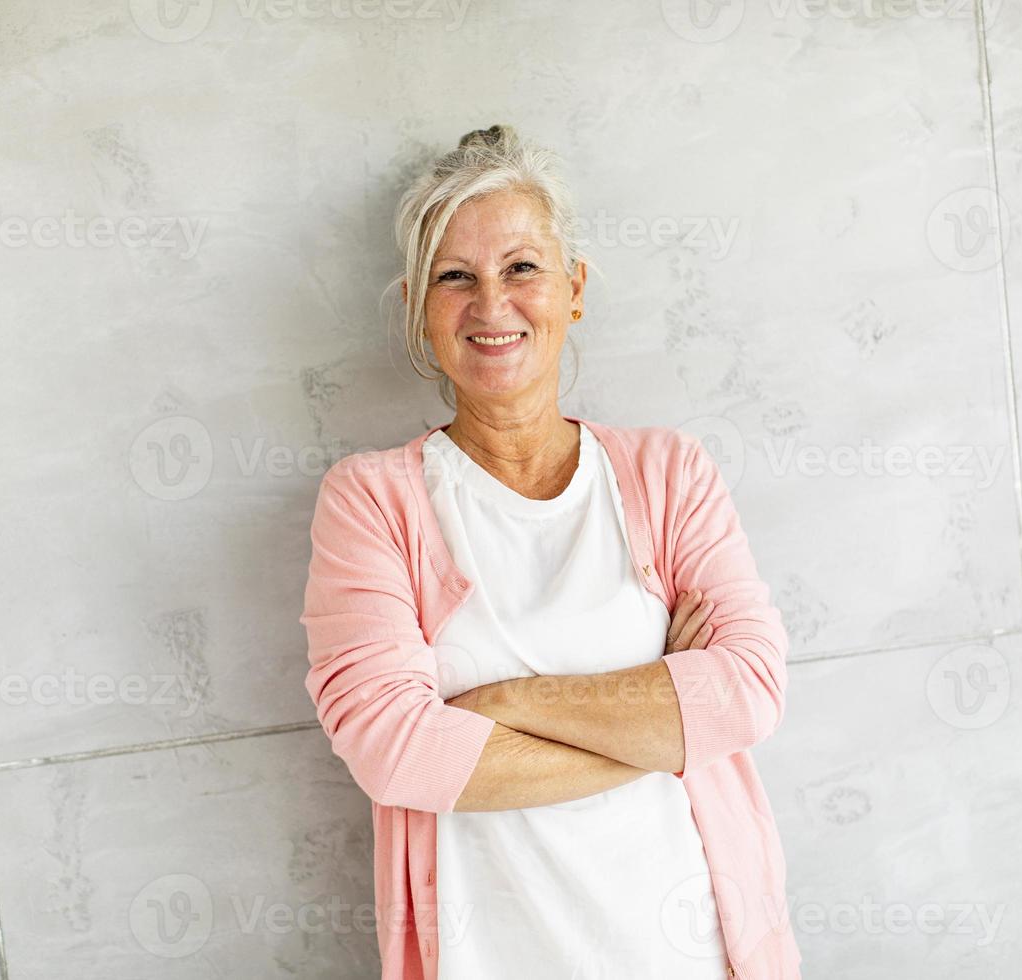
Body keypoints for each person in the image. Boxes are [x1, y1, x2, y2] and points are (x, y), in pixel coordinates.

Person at [300, 123, 801, 980]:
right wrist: (664, 722)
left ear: (573, 289)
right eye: (454, 277)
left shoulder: (666, 474)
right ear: (421, 306)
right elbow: (397, 752)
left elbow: (748, 693)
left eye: (521, 268)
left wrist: (497, 704)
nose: (490, 305)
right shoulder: (371, 502)